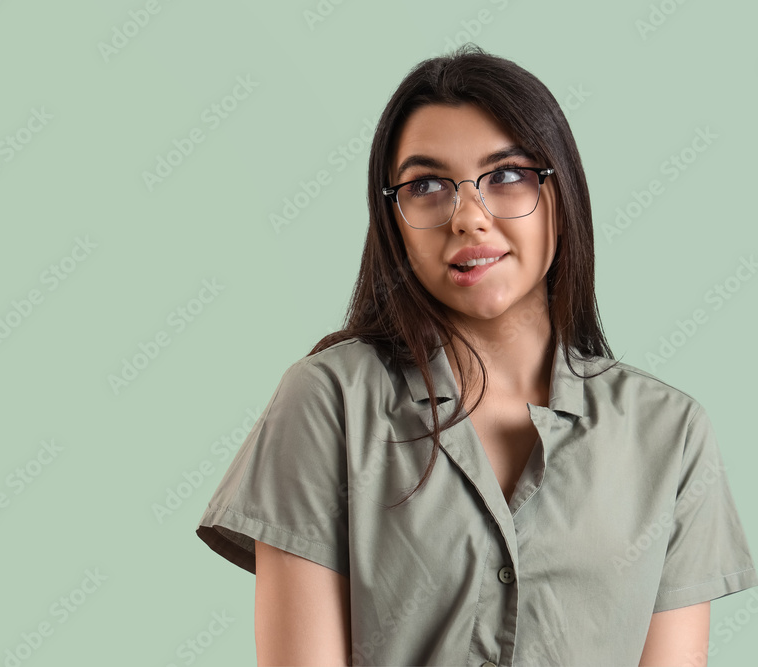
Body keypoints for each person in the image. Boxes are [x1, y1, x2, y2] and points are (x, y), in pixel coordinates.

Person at [195, 43, 758, 666]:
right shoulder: (329, 403)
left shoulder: (670, 433)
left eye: (508, 175)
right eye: (427, 186)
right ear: (394, 221)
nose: (468, 217)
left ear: (561, 195)